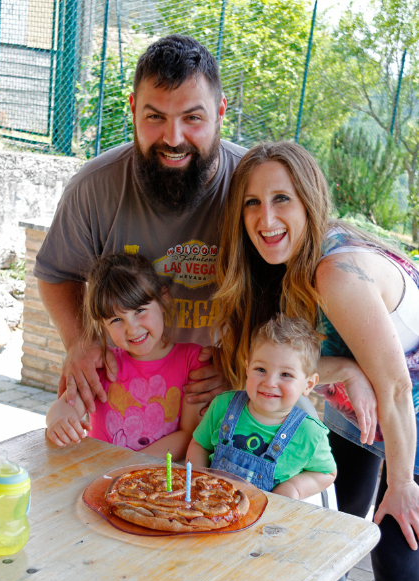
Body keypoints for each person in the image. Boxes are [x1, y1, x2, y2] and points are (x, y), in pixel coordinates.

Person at [214, 141, 419, 581]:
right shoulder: (276, 268)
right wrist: (345, 369)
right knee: (333, 532)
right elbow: (271, 361)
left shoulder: (336, 272)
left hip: (406, 408)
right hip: (362, 411)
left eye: (281, 199)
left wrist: (400, 483)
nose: (266, 218)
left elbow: (395, 387)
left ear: (309, 200)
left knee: (396, 543)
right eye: (252, 203)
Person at [34, 34, 246, 416]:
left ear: (220, 112)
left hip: (224, 407)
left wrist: (242, 363)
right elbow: (56, 274)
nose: (173, 138)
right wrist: (80, 341)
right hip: (125, 406)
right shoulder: (93, 187)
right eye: (155, 117)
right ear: (133, 110)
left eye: (193, 118)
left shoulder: (256, 187)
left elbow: (293, 285)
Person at [46, 253, 204, 460]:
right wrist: (59, 420)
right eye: (116, 319)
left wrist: (130, 465)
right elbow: (65, 406)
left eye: (139, 310)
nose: (132, 329)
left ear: (163, 299)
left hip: (156, 478)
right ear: (103, 324)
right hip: (101, 474)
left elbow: (189, 434)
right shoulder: (100, 365)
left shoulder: (192, 361)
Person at [186, 315, 337, 500]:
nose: (270, 382)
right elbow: (200, 444)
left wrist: (294, 488)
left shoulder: (310, 434)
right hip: (212, 506)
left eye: (286, 374)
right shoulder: (222, 406)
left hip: (268, 516)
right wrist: (198, 479)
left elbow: (327, 473)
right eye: (261, 370)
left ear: (308, 384)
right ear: (247, 368)